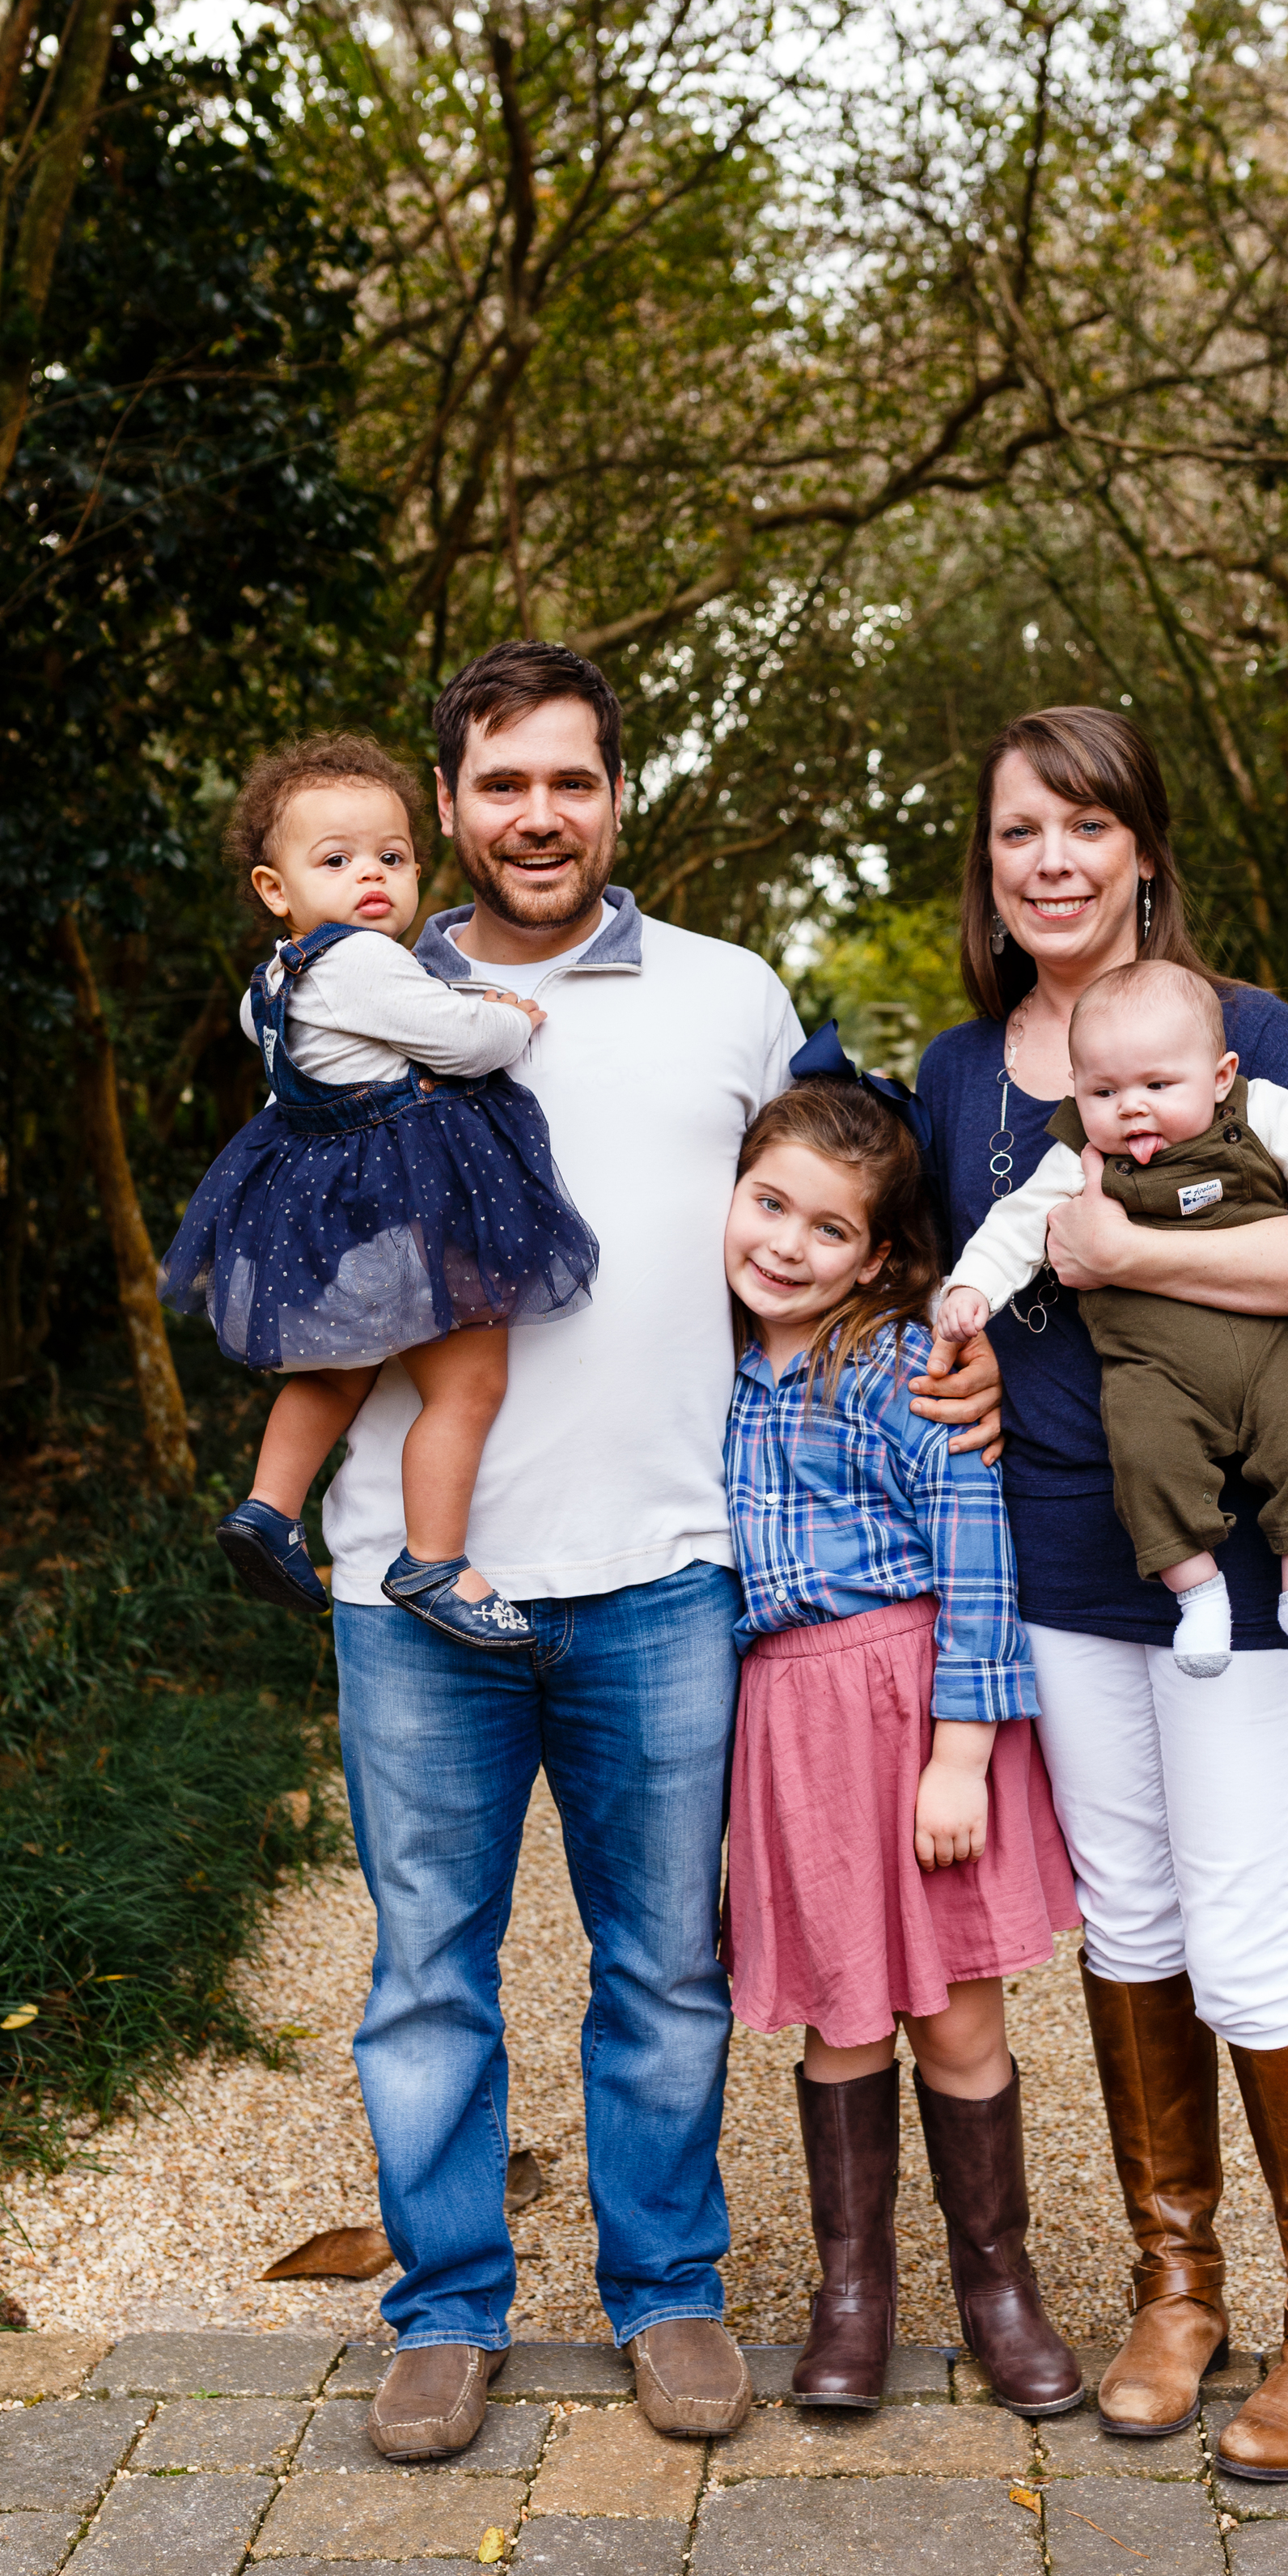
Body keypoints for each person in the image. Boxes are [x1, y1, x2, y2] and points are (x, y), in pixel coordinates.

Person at [311, 642, 1002, 2464]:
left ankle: (667, 2291)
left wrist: (954, 1339)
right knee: (426, 1972)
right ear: (448, 803)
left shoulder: (732, 997)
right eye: (498, 783)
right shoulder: (357, 992)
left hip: (667, 1576)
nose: (536, 814)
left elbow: (855, 1193)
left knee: (665, 1967)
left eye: (571, 780)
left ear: (620, 795)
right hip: (412, 1577)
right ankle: (446, 2310)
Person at [913, 703, 1288, 2484]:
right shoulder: (965, 1070)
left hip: (1244, 1547)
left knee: (1242, 1923)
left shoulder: (1236, 1030)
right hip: (1056, 1549)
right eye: (1013, 833)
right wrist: (950, 1368)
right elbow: (942, 1292)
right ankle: (1174, 2289)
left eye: (1079, 825)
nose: (1045, 860)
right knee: (1125, 1918)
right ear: (986, 866)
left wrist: (1132, 1249)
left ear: (1137, 848)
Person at [720, 1079, 1083, 2417]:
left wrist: (961, 1754)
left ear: (876, 1256)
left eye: (829, 1230)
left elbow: (976, 1549)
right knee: (838, 2012)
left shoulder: (892, 1366)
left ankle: (999, 2287)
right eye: (770, 1205)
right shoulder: (704, 1366)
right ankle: (853, 2294)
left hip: (913, 1707)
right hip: (792, 1728)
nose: (788, 1246)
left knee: (956, 2014)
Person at [160, 736, 598, 1653]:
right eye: (337, 860)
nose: (372, 877)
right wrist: (504, 1017)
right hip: (406, 1207)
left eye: (391, 859)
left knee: (338, 1370)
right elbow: (459, 1042)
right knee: (471, 1382)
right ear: (274, 890)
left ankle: (269, 1508)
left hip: (330, 1217)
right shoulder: (364, 963)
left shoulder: (272, 984)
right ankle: (433, 1559)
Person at [936, 957, 1288, 1684]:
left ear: (1221, 1076)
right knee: (1146, 1455)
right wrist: (973, 1286)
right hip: (1151, 1367)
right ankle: (1198, 1594)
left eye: (1158, 1087)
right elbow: (1015, 1226)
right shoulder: (1079, 1154)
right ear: (1078, 1091)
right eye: (1105, 1092)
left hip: (1276, 1354)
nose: (1132, 1108)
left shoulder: (1263, 1113)